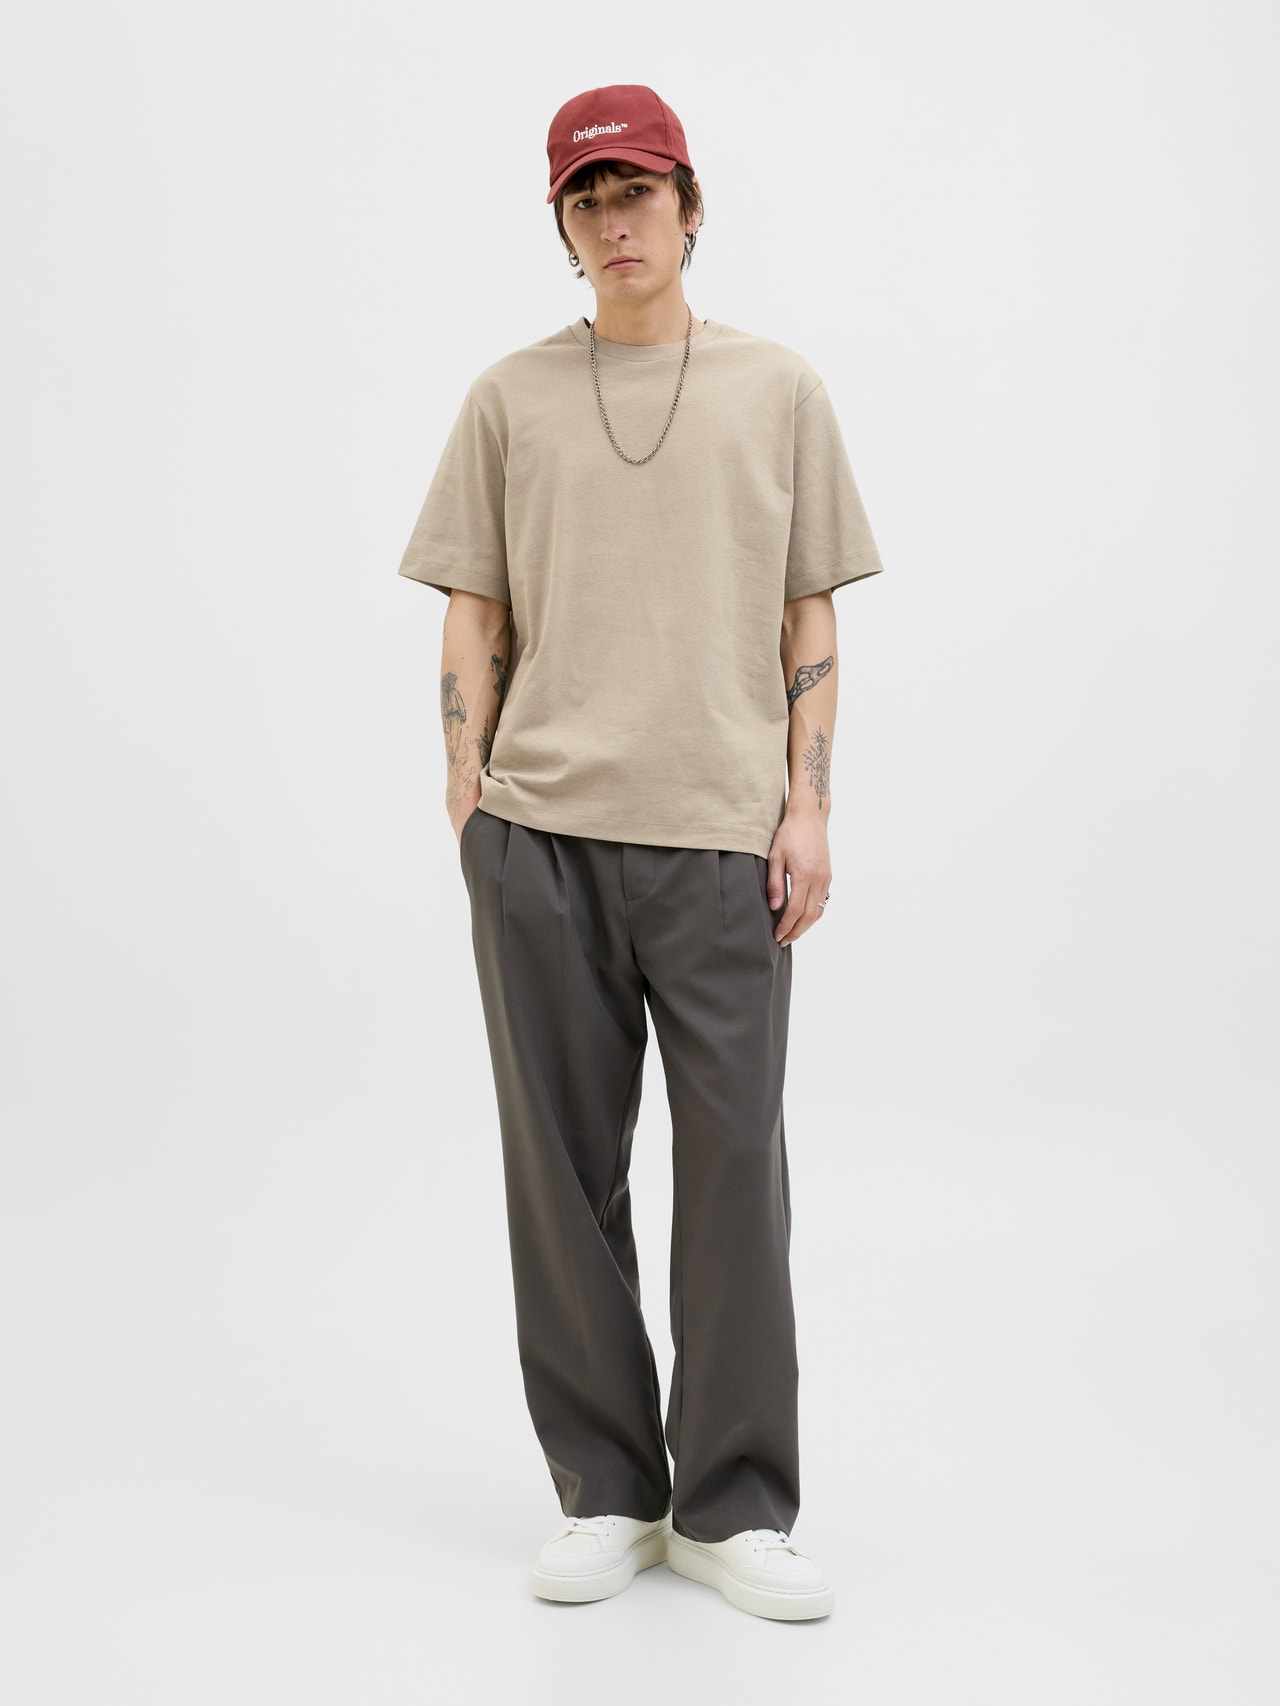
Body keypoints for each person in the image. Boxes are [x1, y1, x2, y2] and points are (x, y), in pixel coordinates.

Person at [396, 84, 884, 1622]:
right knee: (561, 1175)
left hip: (722, 838)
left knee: (735, 1167)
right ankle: (608, 1488)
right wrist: (471, 799)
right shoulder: (508, 399)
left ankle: (734, 1506)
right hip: (539, 835)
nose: (616, 221)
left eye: (639, 192)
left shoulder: (778, 389)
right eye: (587, 198)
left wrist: (808, 804)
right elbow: (473, 608)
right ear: (562, 224)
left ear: (690, 206)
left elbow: (809, 611)